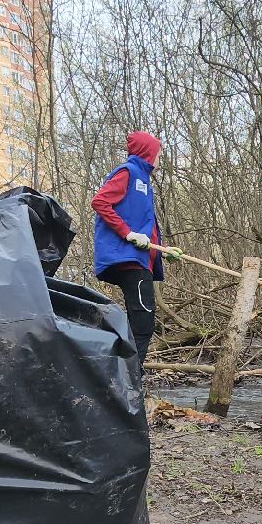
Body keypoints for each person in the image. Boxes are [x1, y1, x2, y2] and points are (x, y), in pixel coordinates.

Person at [91, 130, 179, 365]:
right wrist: (127, 233)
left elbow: (143, 227)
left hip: (139, 259)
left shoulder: (144, 180)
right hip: (127, 259)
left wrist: (163, 250)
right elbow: (100, 202)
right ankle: (130, 383)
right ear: (147, 153)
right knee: (143, 325)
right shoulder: (128, 172)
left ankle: (123, 376)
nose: (160, 159)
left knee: (140, 323)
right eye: (158, 154)